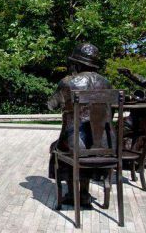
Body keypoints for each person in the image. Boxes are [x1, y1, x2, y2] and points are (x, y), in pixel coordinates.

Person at [47, 43, 113, 207]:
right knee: (83, 146)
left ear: (76, 63)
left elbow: (51, 105)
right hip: (106, 147)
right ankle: (83, 193)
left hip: (75, 146)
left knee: (57, 147)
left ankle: (73, 193)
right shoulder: (106, 83)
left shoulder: (68, 83)